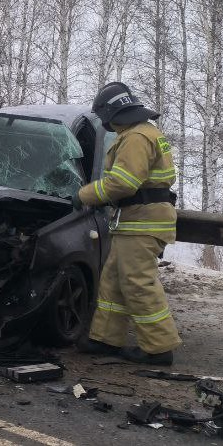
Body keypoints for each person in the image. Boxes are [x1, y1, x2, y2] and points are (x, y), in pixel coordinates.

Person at [73, 82, 179, 365]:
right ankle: (105, 339)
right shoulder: (145, 132)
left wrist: (84, 195)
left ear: (112, 113)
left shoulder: (136, 138)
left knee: (137, 282)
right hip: (136, 220)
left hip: (143, 222)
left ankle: (158, 348)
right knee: (114, 281)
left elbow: (123, 183)